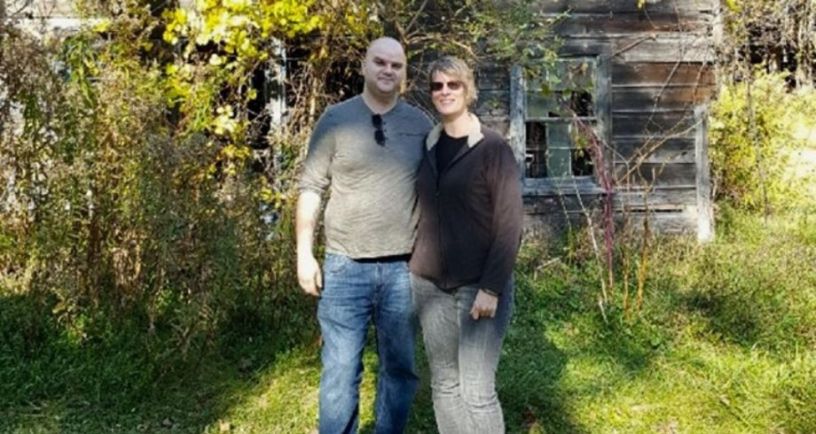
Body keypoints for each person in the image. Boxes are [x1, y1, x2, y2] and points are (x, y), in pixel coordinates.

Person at [295, 37, 433, 434]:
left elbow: (443, 188)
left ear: (404, 73)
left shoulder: (420, 125)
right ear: (364, 67)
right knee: (340, 371)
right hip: (344, 267)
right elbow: (310, 188)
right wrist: (305, 255)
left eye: (397, 65)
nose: (388, 70)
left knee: (401, 369)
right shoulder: (336, 120)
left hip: (403, 271)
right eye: (380, 62)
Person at [410, 56, 523, 434]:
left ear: (468, 90)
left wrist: (491, 287)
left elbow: (510, 224)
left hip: (479, 285)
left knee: (476, 391)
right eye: (437, 86)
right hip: (429, 285)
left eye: (452, 84)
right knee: (444, 384)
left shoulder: (492, 149)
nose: (444, 91)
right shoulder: (427, 144)